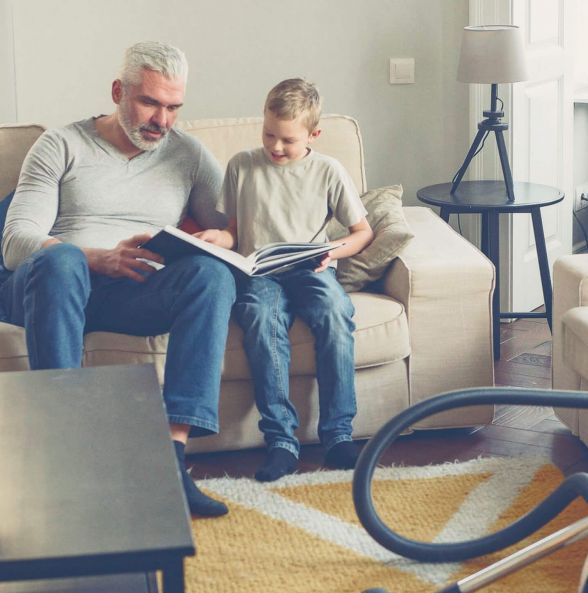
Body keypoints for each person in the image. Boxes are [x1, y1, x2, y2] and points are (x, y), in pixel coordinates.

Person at [0, 41, 235, 517]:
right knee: (61, 262)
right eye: (150, 102)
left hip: (132, 294)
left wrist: (220, 239)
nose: (162, 120)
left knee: (211, 275)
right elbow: (16, 242)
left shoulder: (188, 154)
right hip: (52, 288)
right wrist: (95, 258)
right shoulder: (62, 145)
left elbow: (233, 227)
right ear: (117, 91)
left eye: (173, 107)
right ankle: (64, 459)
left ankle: (171, 460)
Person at [196, 78, 374, 482]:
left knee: (334, 311)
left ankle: (338, 434)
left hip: (311, 268)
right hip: (260, 271)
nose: (275, 147)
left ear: (314, 134)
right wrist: (216, 239)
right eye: (269, 134)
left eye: (287, 140)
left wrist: (332, 252)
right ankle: (280, 440)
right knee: (259, 316)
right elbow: (236, 233)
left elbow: (363, 232)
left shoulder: (328, 170)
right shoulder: (242, 165)